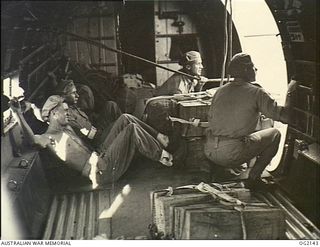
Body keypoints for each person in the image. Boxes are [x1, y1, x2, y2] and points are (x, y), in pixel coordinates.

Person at [10, 96, 174, 189]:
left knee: (125, 118)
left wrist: (32, 106)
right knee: (131, 129)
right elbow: (32, 140)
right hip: (102, 172)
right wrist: (18, 114)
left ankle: (159, 137)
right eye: (65, 111)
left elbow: (41, 112)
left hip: (99, 153)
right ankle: (163, 156)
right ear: (53, 114)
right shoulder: (48, 138)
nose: (69, 114)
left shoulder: (65, 128)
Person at [204, 52, 295, 189]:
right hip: (231, 154)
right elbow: (285, 117)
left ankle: (219, 172)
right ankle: (254, 179)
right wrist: (291, 92)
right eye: (253, 67)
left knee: (243, 137)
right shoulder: (256, 92)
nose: (255, 70)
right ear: (246, 70)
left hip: (210, 150)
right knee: (275, 134)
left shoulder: (220, 91)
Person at [42, 79, 122, 148]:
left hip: (96, 129)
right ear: (64, 96)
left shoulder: (72, 106)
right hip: (97, 140)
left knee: (111, 105)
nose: (77, 95)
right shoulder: (65, 115)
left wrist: (53, 80)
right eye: (73, 93)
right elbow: (48, 110)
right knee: (123, 120)